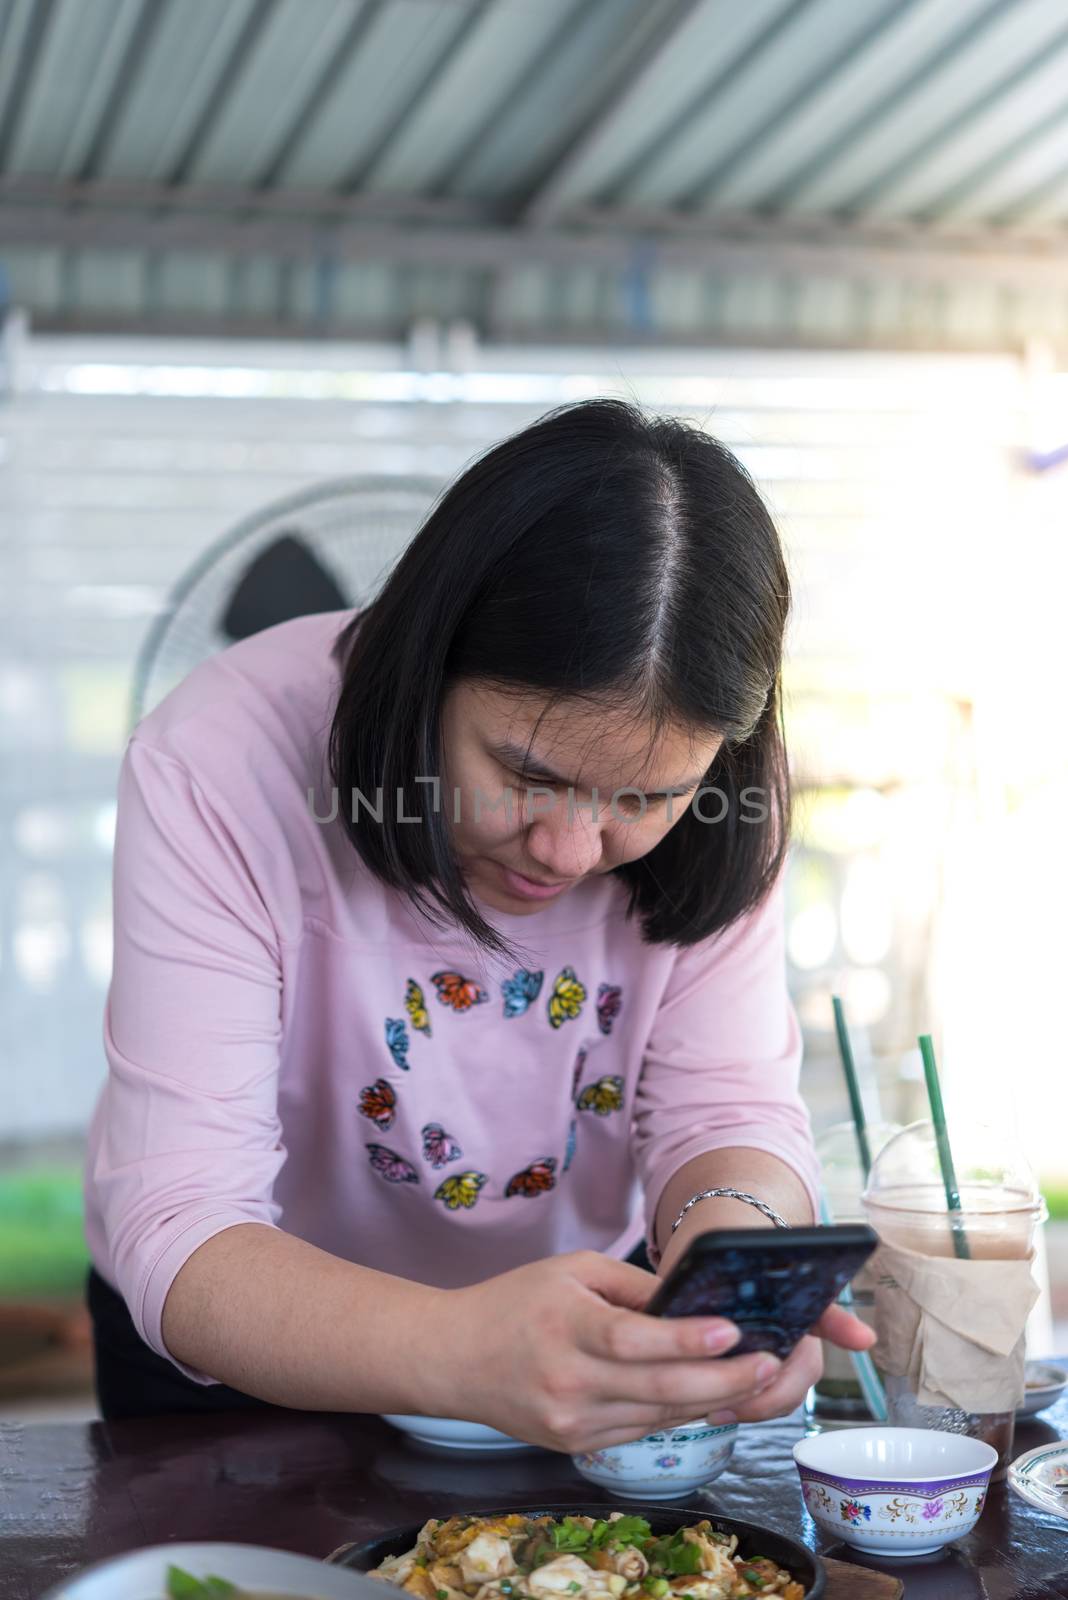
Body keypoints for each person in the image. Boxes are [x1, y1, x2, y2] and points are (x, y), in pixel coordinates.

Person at [84, 398, 872, 1436]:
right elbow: (180, 1215)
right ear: (427, 662)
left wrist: (733, 1271)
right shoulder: (221, 761)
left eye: (644, 798)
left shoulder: (727, 810)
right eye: (525, 773)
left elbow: (726, 1115)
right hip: (243, 1349)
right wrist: (460, 1351)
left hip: (574, 1342)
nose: (569, 850)